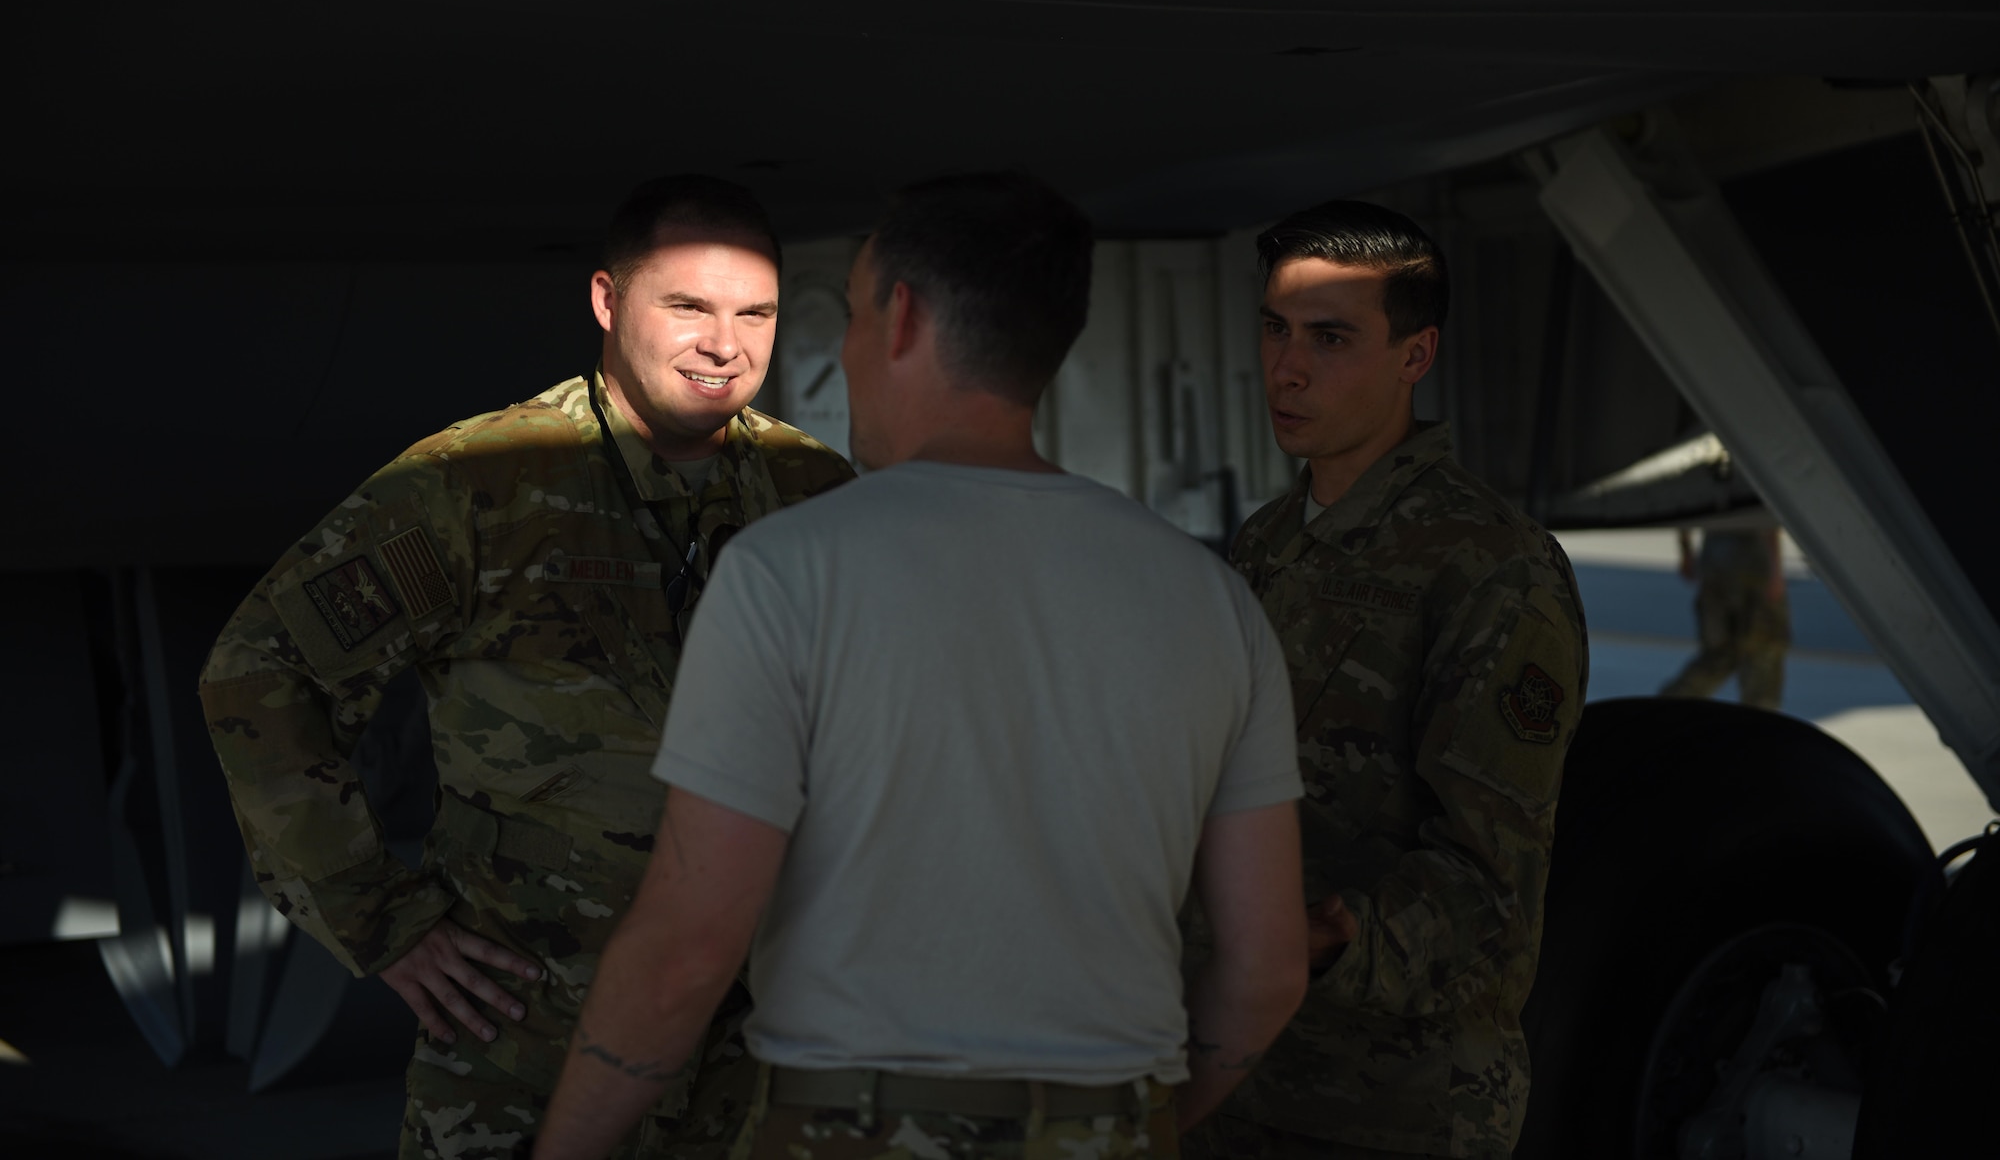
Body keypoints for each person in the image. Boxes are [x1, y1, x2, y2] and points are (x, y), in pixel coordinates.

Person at [529, 173, 1312, 1160]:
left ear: (898, 318)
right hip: (1113, 1118)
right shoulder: (1210, 602)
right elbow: (1268, 969)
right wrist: (1131, 1126)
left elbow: (686, 947)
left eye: (850, 316)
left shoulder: (787, 572)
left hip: (847, 1124)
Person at [198, 175, 855, 1160]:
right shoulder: (479, 486)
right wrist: (380, 917)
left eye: (752, 313)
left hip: (758, 1045)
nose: (725, 344)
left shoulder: (815, 494)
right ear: (605, 300)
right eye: (687, 307)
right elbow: (261, 671)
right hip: (526, 1044)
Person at [1194, 201, 1590, 1160]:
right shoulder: (1271, 542)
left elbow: (1489, 889)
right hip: (1247, 1077)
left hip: (1397, 1109)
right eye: (1276, 330)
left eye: (1330, 338)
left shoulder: (1493, 567)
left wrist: (1329, 938)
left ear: (1416, 356)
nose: (1287, 368)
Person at [1660, 523, 1789, 709]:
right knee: (1762, 655)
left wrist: (1686, 549)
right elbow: (1767, 514)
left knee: (1718, 653)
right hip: (1753, 565)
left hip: (1715, 561)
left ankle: (1670, 705)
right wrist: (1775, 572)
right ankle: (1761, 724)